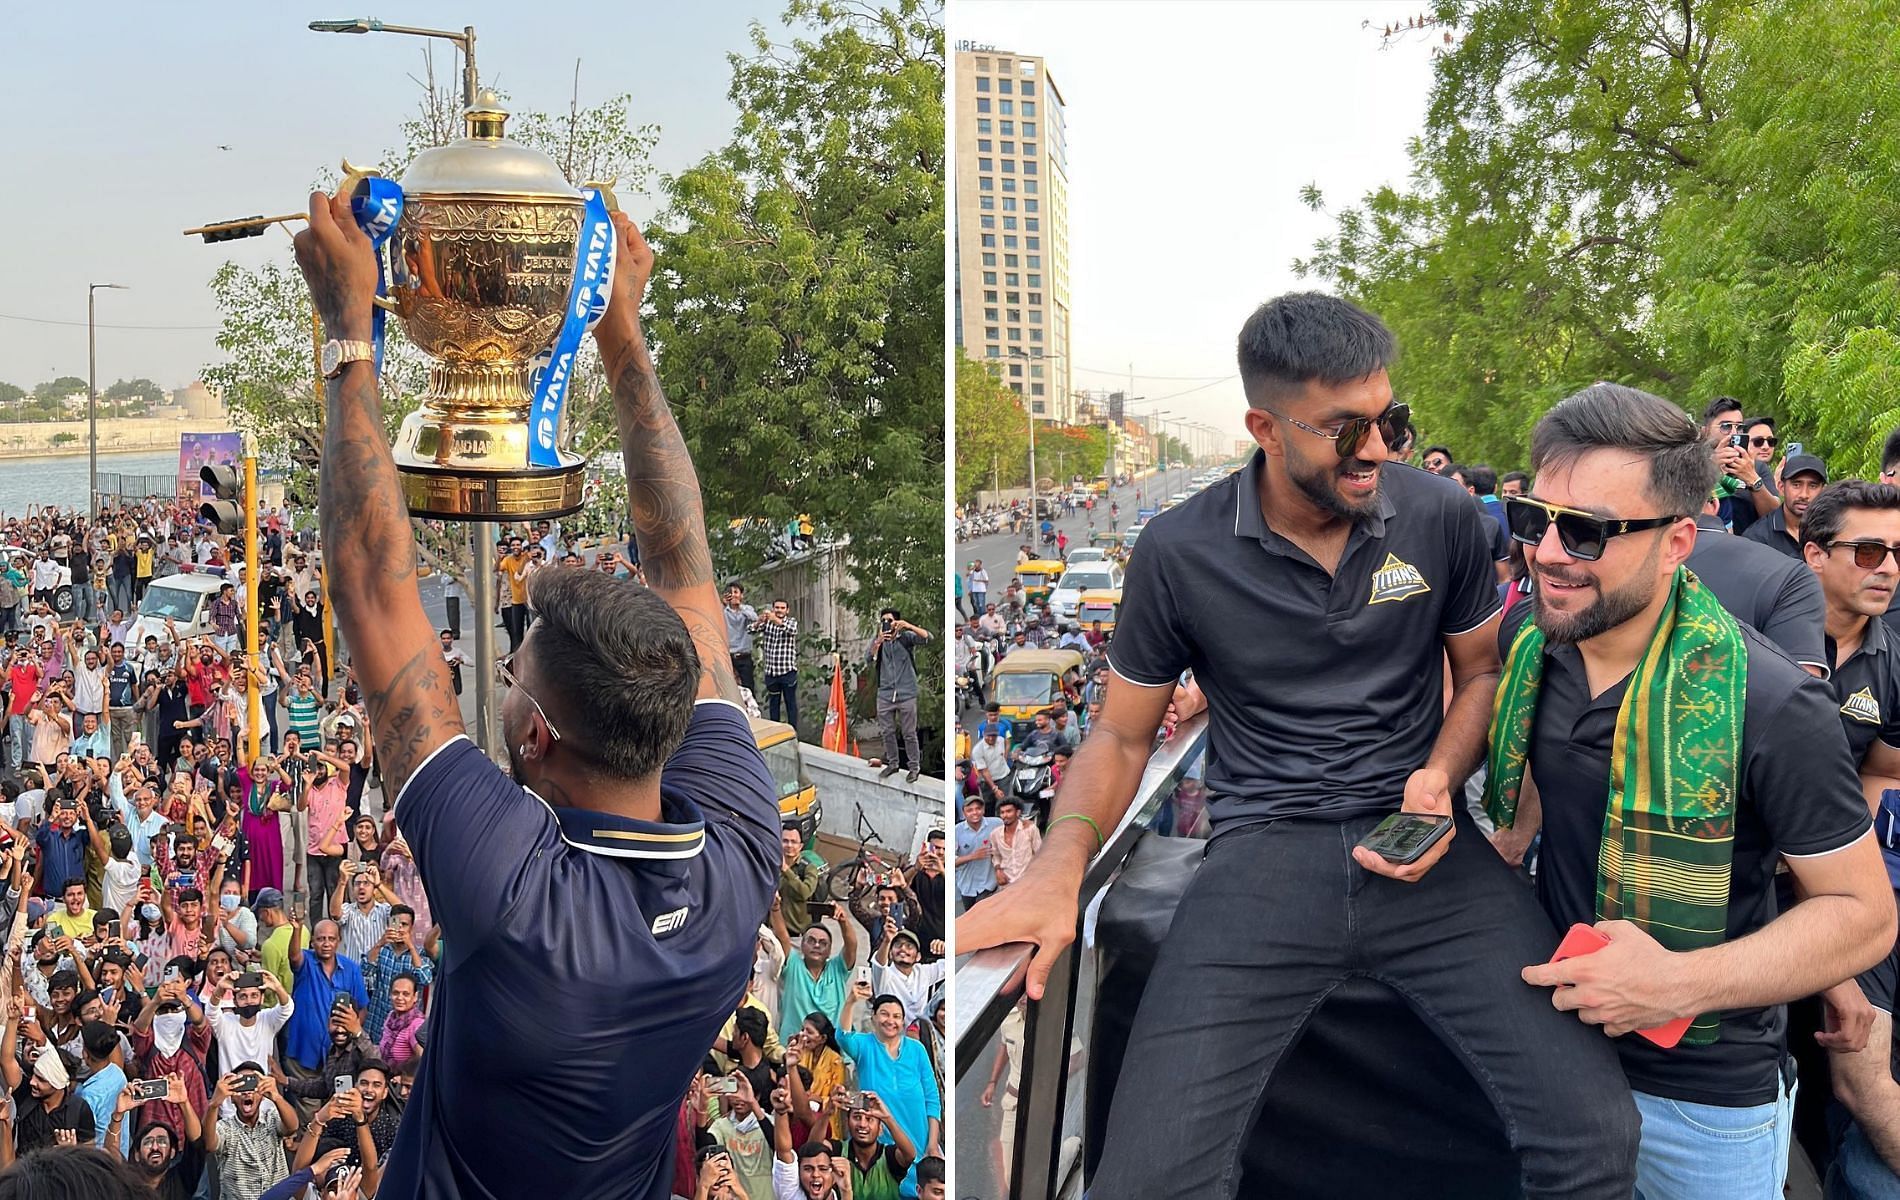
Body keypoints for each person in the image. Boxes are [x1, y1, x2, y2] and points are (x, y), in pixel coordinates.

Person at [960, 292, 1641, 1199]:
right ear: (1265, 427)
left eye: (1390, 422)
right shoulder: (1178, 549)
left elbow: (1482, 674)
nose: (1375, 451)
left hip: (1426, 848)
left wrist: (1440, 772)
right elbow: (1123, 734)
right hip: (1260, 859)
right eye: (1343, 430)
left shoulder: (1438, 516)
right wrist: (1056, 869)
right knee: (1146, 1179)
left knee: (1592, 1134)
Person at [293, 184, 779, 1197]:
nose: (501, 688)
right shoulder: (736, 851)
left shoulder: (519, 893)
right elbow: (682, 562)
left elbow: (370, 594)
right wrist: (618, 332)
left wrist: (350, 336)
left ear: (535, 732)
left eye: (510, 679)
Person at [1496, 384, 1893, 1196]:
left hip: (1704, 1099)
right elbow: (1559, 769)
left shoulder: (1771, 703)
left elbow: (1862, 917)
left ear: (1677, 540)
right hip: (1553, 1057)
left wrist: (1673, 983)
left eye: (1588, 531)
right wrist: (1506, 828)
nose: (1546, 553)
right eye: (1534, 520)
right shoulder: (1541, 641)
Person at [836, 985, 941, 1182]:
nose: (890, 1021)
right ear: (873, 1017)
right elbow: (843, 1036)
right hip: (884, 1149)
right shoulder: (864, 1045)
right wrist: (851, 1001)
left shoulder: (916, 1049)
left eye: (896, 1016)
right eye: (884, 1014)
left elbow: (932, 1098)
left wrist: (933, 1144)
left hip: (922, 1142)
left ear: (902, 1022)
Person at [204, 1063, 301, 1200]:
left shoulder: (271, 1118)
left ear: (261, 1094)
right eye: (240, 1086)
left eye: (252, 1086)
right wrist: (214, 1104)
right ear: (231, 1097)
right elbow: (209, 1144)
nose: (247, 1092)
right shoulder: (225, 1127)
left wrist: (276, 1096)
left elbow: (292, 1126)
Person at [869, 610, 929, 783]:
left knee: (909, 733)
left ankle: (914, 767)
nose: (887, 623)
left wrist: (908, 625)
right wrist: (878, 642)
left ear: (897, 622)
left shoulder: (906, 638)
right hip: (885, 693)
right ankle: (893, 763)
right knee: (887, 731)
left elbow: (927, 637)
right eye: (884, 620)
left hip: (906, 693)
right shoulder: (880, 641)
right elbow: (868, 658)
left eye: (890, 620)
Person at [1744, 453, 1829, 559]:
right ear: (1781, 487)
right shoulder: (1758, 536)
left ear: (1823, 491)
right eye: (1796, 485)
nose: (1804, 495)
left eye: (1813, 486)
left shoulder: (1834, 530)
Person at [754, 599, 800, 729]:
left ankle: (793, 732)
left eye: (782, 608)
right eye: (777, 608)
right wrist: (760, 621)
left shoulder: (791, 622)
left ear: (787, 610)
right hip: (771, 672)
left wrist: (776, 620)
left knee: (790, 703)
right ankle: (776, 732)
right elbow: (750, 629)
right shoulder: (767, 623)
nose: (779, 610)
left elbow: (792, 630)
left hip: (787, 671)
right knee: (774, 704)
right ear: (773, 609)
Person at [955, 798, 1002, 912]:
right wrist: (973, 856)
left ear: (984, 810)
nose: (975, 812)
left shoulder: (996, 823)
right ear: (964, 813)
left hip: (989, 884)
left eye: (978, 809)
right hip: (967, 885)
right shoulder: (957, 831)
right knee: (970, 917)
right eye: (970, 810)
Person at [725, 583, 759, 697]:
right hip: (729, 656)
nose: (733, 595)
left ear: (741, 595)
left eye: (736, 592)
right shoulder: (723, 611)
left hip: (744, 655)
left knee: (748, 688)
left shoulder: (747, 609)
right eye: (731, 592)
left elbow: (755, 619)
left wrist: (740, 607)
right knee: (729, 689)